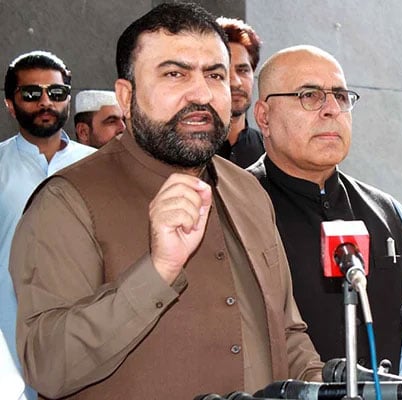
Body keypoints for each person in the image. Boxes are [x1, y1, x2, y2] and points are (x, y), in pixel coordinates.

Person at [9, 3, 322, 399]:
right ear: (126, 96)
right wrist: (157, 271)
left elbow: (287, 334)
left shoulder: (248, 191)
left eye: (215, 75)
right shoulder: (67, 202)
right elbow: (47, 366)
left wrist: (332, 387)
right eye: (175, 74)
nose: (201, 93)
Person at [248, 45, 402, 377]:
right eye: (309, 95)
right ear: (264, 116)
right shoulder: (238, 205)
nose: (331, 109)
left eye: (340, 96)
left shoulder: (388, 213)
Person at [0, 50, 95, 400]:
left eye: (56, 94)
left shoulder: (96, 168)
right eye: (31, 94)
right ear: (10, 104)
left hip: (85, 339)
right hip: (8, 344)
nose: (45, 102)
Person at [214, 17, 264, 168]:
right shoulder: (184, 150)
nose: (235, 82)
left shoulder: (272, 151)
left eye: (243, 70)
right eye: (223, 72)